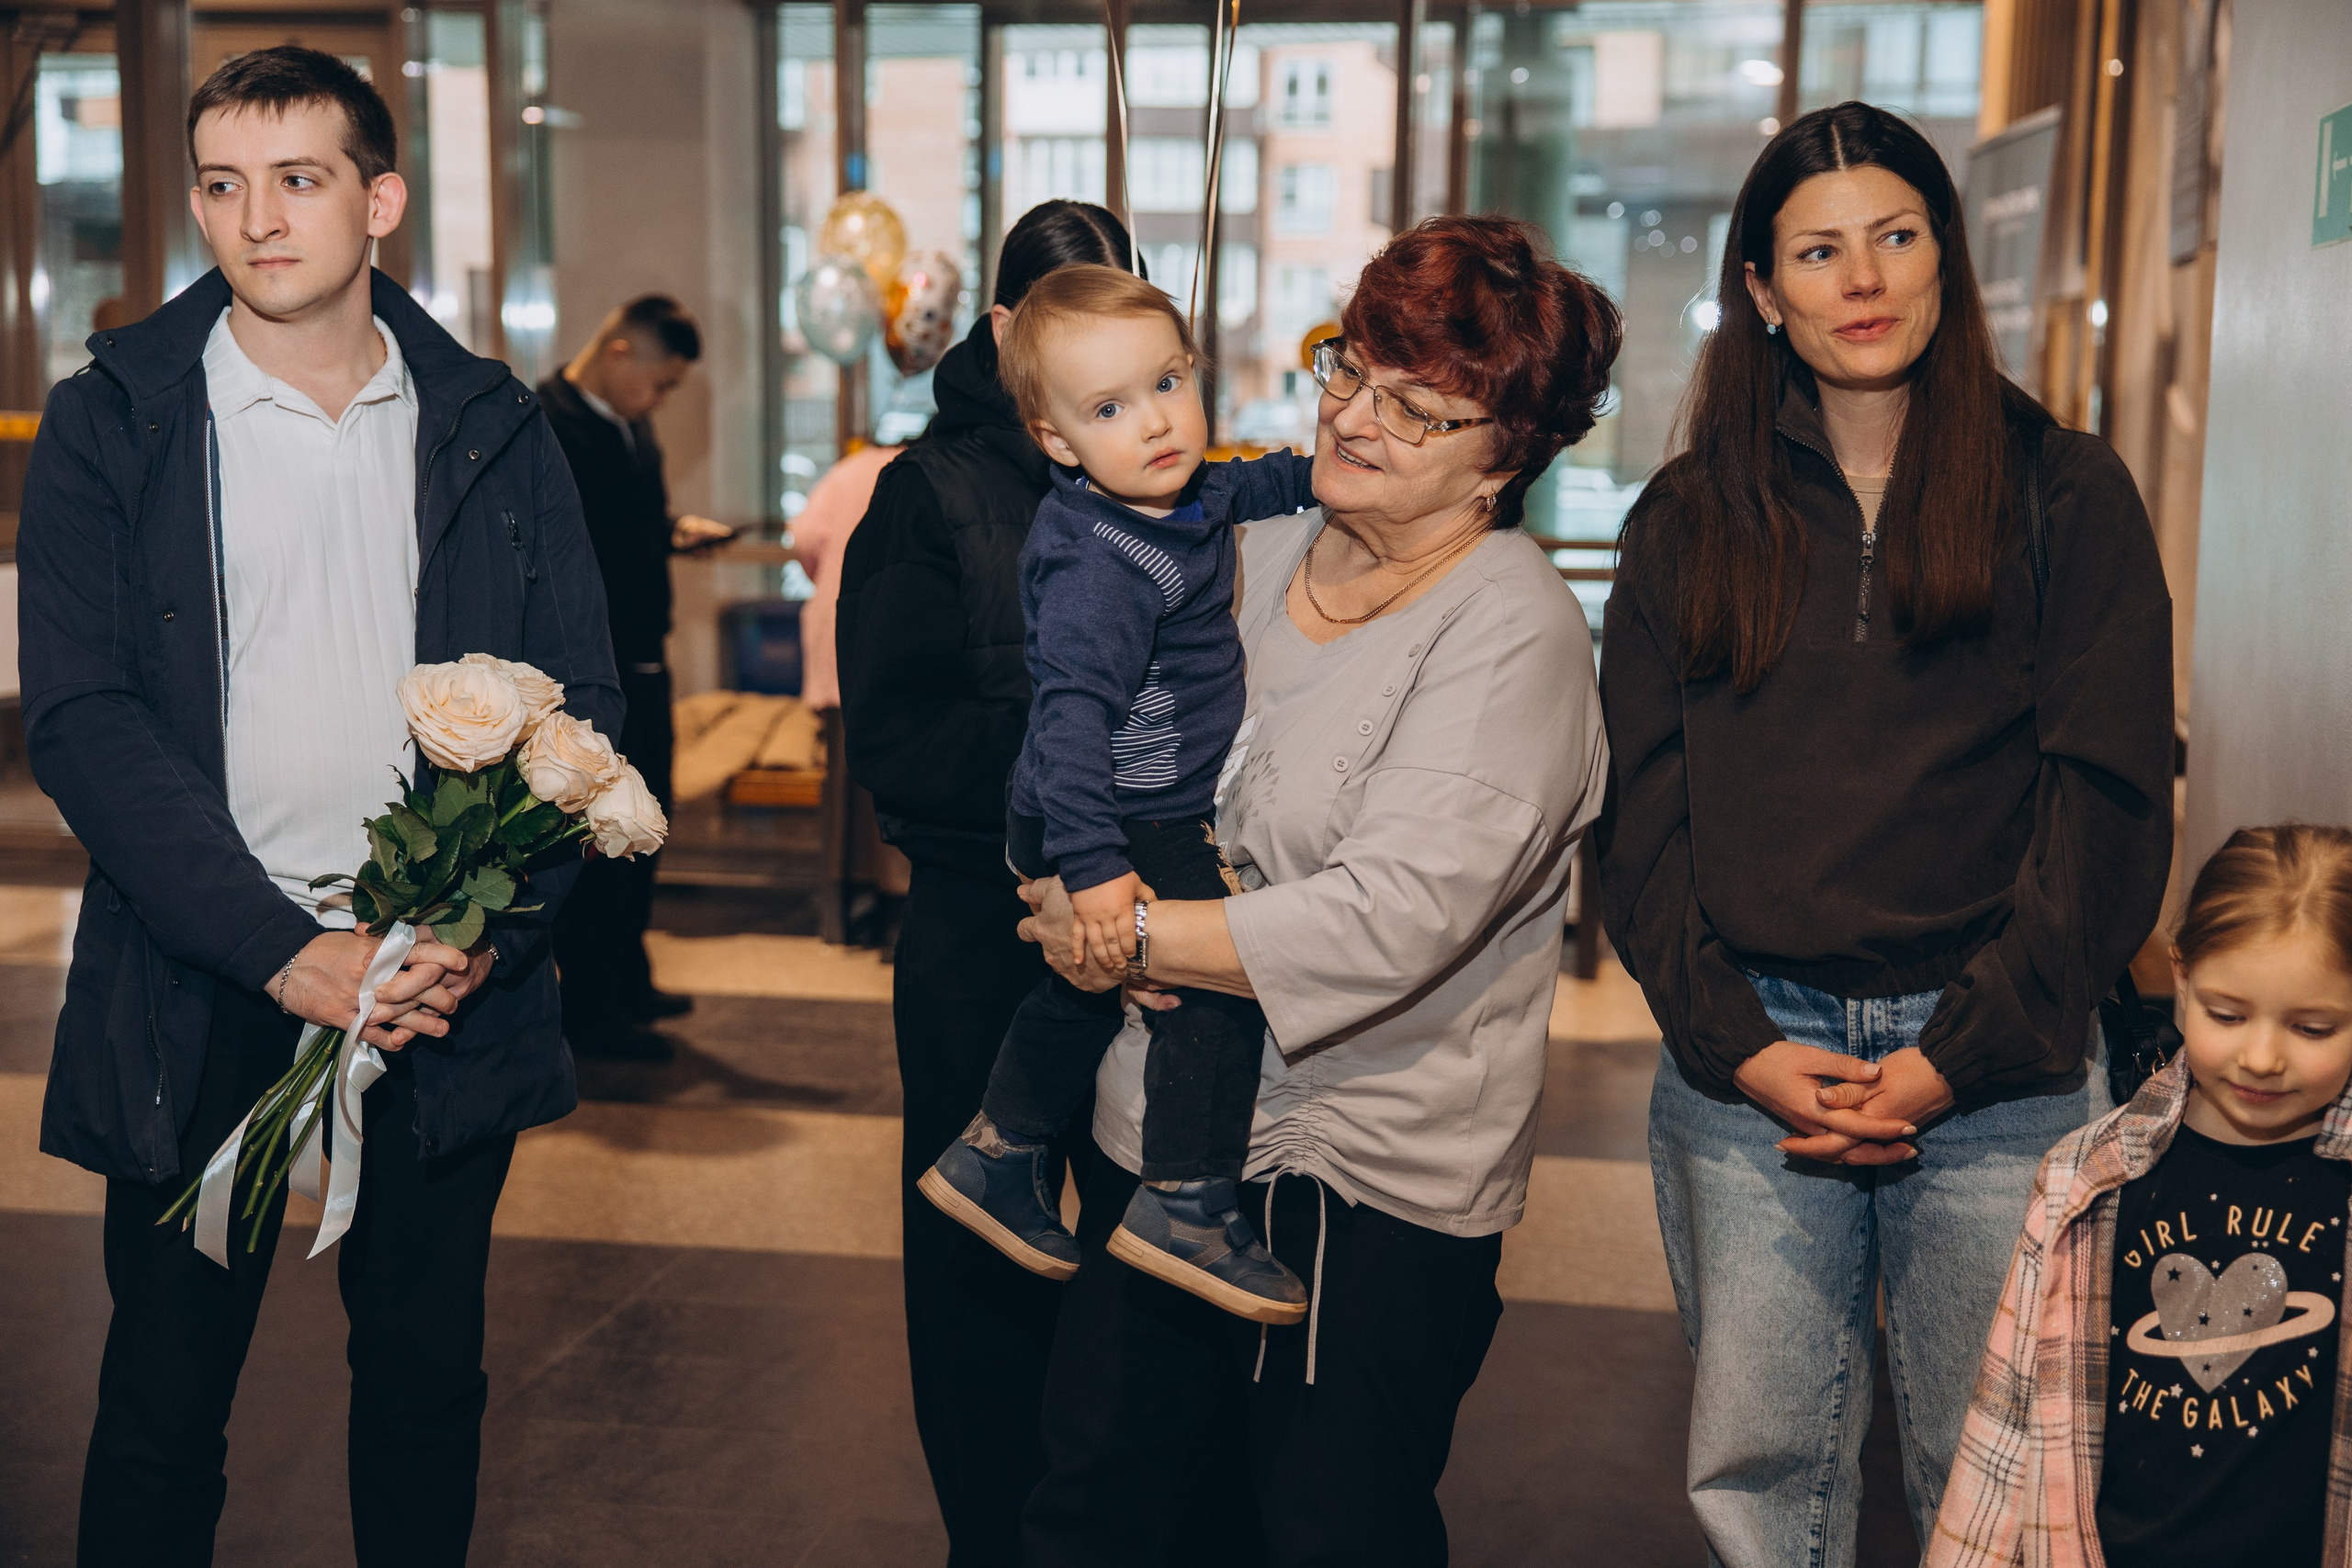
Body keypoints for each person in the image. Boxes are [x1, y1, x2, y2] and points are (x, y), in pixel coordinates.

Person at [17, 47, 620, 1566]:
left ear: (381, 200)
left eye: (299, 179)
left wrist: (482, 934)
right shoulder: (116, 418)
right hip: (201, 972)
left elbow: (582, 712)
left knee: (425, 1390)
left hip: (433, 984)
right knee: (161, 1406)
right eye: (222, 184)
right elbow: (81, 717)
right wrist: (280, 949)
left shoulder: (488, 419)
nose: (257, 219)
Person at [1595, 102, 2176, 1566]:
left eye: (1896, 237)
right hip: (1750, 1064)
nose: (1862, 279)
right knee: (1762, 1478)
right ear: (1760, 289)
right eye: (1818, 251)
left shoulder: (2065, 491)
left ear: (1944, 257)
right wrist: (1736, 1041)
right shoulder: (1687, 518)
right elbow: (1643, 817)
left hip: (2001, 1070)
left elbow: (2106, 807)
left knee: (2003, 1487)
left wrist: (1954, 1055)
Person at [1012, 214, 1618, 1567]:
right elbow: (1100, 732)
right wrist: (1065, 872)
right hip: (1160, 1123)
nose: (1354, 417)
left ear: (1509, 453)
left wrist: (1126, 930)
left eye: (1417, 407)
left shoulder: (1510, 628)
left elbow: (1389, 917)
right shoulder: (1263, 544)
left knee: (1321, 1527)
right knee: (1099, 1505)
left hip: (1360, 1172)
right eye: (1353, 367)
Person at [917, 265, 1317, 1321]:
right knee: (1216, 981)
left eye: (1168, 383)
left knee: (1084, 987)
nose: (1154, 422)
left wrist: (1327, 471)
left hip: (1106, 802)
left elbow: (1251, 485)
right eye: (1108, 408)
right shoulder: (1100, 567)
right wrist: (1096, 871)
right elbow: (1068, 722)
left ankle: (997, 1152)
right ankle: (1186, 1200)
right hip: (1114, 806)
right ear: (1056, 442)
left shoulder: (1178, 495)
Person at [834, 198, 1141, 1568]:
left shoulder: (1157, 472)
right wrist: (1077, 771)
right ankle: (993, 1537)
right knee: (974, 1258)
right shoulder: (930, 490)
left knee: (1138, 1244)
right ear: (1008, 328)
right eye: (1068, 317)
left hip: (1146, 933)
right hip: (983, 927)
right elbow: (897, 738)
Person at [1928, 824, 2352, 1568]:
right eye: (2227, 1014)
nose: (2262, 1056)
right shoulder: (2083, 1179)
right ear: (2182, 980)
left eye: (2312, 1027)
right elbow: (2006, 1427)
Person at [538, 295, 731, 1054]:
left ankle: (629, 977)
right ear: (620, 349)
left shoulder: (629, 426)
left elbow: (627, 524)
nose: (660, 400)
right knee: (594, 841)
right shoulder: (550, 423)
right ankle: (593, 1007)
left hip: (645, 658)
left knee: (645, 825)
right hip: (587, 671)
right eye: (661, 382)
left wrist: (674, 530)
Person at [791, 442, 900, 714]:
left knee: (835, 725)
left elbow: (806, 537)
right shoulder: (925, 471)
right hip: (893, 625)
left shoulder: (849, 470)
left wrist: (824, 577)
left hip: (836, 617)